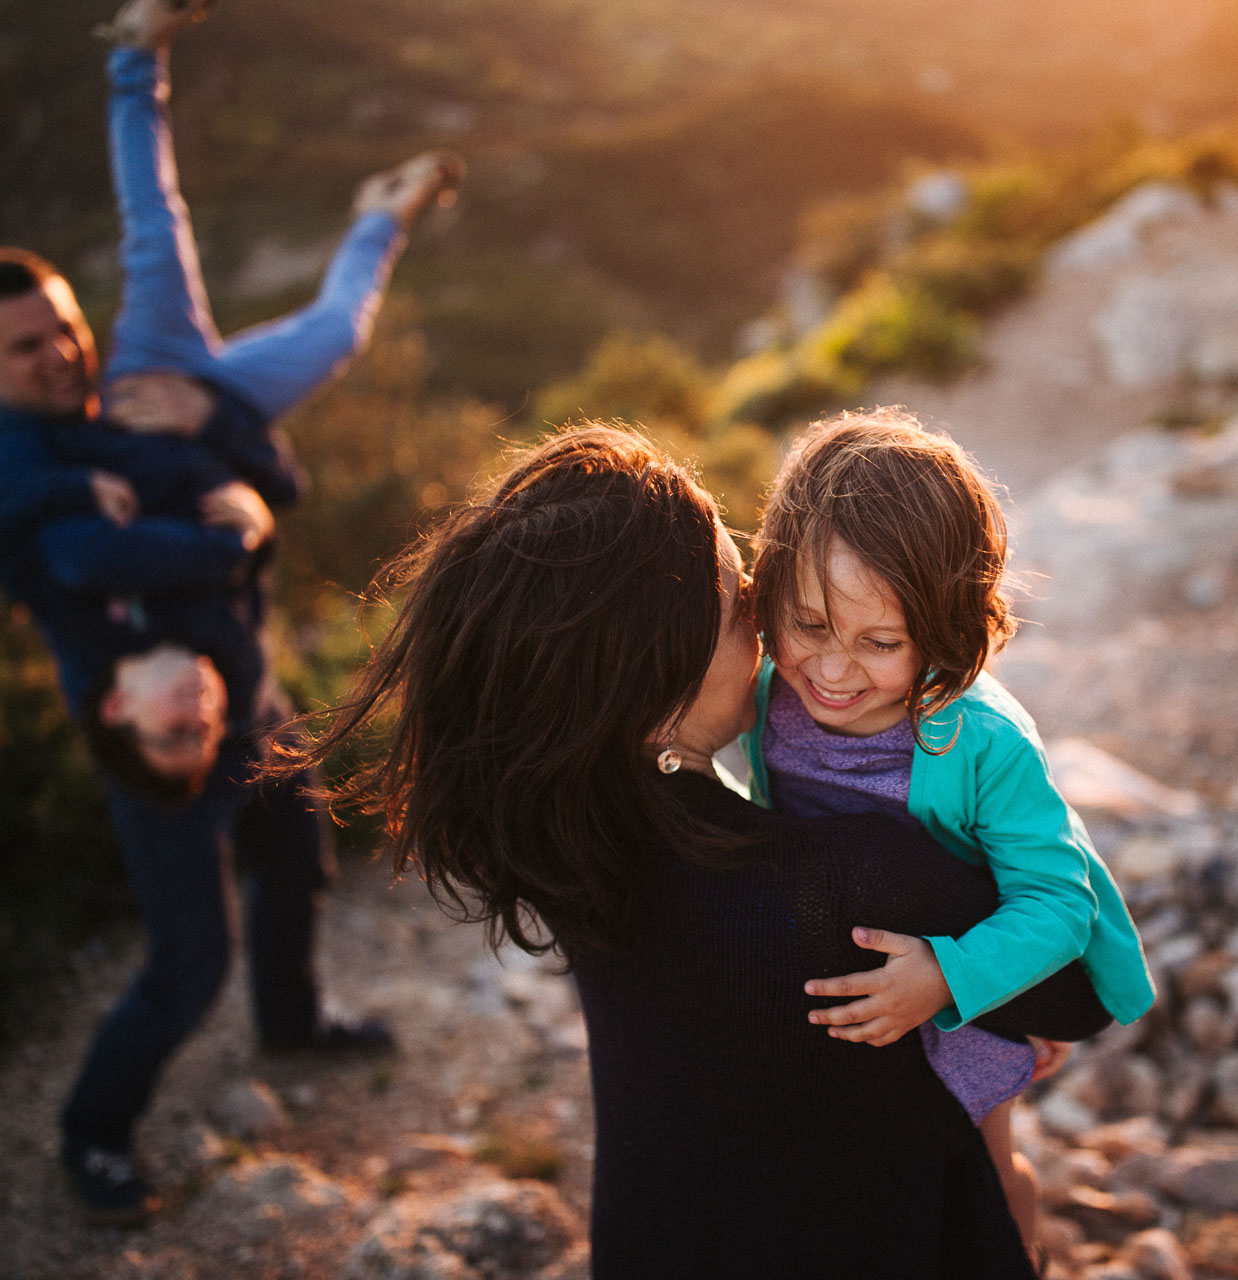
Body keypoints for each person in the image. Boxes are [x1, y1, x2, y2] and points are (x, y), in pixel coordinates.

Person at [278, 426, 1112, 1278]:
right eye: (735, 604)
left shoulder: (561, 841)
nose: (760, 602)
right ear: (660, 681)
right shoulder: (850, 877)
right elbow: (1075, 1000)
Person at [0, 0, 458, 1223]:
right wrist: (222, 524)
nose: (62, 357)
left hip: (242, 678)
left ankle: (293, 1021)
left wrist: (213, 447)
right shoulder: (19, 463)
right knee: (187, 961)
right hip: (153, 728)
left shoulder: (130, 377)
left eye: (64, 330)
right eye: (27, 349)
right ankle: (94, 1133)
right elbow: (129, 541)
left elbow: (275, 481)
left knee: (294, 850)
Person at [739, 408, 1157, 1250]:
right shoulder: (761, 696)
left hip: (964, 978)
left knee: (981, 1172)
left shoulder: (983, 742)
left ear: (942, 631)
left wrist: (950, 979)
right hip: (851, 980)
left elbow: (1057, 902)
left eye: (880, 642)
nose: (831, 668)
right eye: (810, 623)